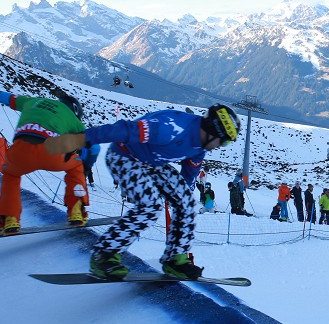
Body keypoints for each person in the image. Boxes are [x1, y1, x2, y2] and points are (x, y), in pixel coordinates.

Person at [44, 104, 240, 280]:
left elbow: (188, 175)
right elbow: (122, 130)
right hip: (124, 156)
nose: (220, 147)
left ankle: (176, 259)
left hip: (153, 163)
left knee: (187, 201)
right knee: (150, 206)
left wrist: (180, 199)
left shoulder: (200, 148)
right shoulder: (170, 127)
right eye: (224, 142)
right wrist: (79, 139)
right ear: (214, 131)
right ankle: (105, 254)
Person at [0, 81, 92, 234]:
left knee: (11, 176)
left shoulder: (32, 101)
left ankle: (10, 219)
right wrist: (86, 166)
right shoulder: (73, 119)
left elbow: (4, 97)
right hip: (52, 152)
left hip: (20, 152)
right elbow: (92, 144)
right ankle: (76, 211)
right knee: (76, 166)